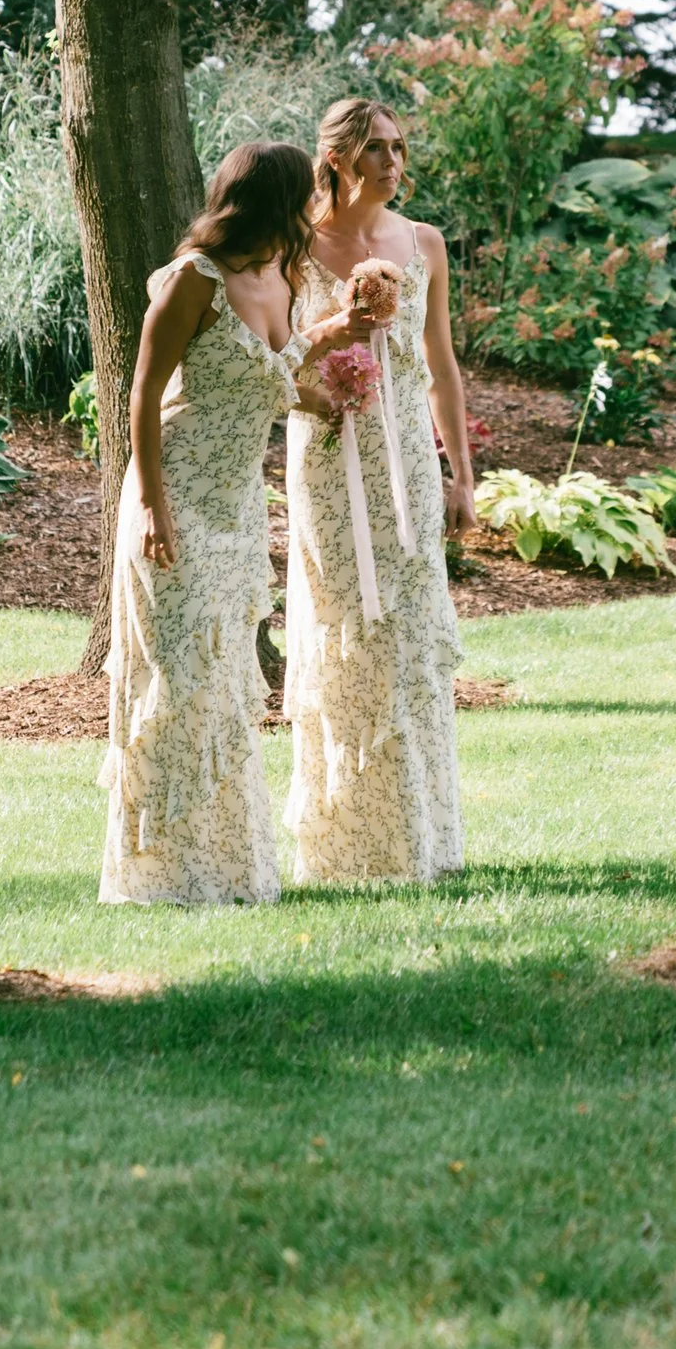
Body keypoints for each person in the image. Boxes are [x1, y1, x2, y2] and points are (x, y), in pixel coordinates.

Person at [100, 139, 368, 908]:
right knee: (178, 680)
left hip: (239, 509)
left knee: (222, 685)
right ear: (276, 199)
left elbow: (275, 378)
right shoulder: (195, 279)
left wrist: (332, 382)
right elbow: (143, 396)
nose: (317, 207)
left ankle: (225, 870)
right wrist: (152, 503)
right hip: (174, 495)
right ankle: (157, 873)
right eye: (308, 194)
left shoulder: (280, 278)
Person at [281, 94, 478, 885]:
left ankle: (422, 839)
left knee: (406, 634)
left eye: (399, 148)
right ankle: (343, 845)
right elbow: (272, 352)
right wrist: (333, 340)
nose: (393, 165)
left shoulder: (422, 242)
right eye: (376, 151)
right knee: (342, 628)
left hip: (405, 454)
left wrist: (460, 472)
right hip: (327, 450)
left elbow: (442, 369)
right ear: (336, 158)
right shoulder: (292, 246)